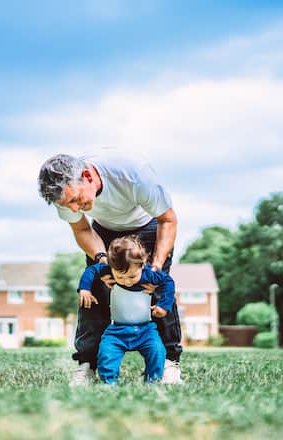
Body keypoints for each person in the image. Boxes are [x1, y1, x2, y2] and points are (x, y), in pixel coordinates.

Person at [37, 151, 183, 385]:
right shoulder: (64, 196)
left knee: (158, 288)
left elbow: (168, 219)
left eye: (76, 200)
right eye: (68, 205)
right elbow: (82, 230)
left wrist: (156, 267)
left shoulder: (134, 175)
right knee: (94, 289)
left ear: (87, 176)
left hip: (147, 225)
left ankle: (170, 363)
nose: (74, 209)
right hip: (104, 231)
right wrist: (102, 260)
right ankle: (87, 364)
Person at [78, 236, 175, 384]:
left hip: (146, 330)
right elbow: (91, 271)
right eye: (121, 277)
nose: (127, 281)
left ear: (142, 265)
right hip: (116, 330)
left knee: (157, 351)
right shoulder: (108, 269)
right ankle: (109, 382)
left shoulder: (149, 274)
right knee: (106, 354)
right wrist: (85, 289)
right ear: (111, 267)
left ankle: (153, 380)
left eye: (132, 276)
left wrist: (163, 305)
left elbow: (168, 281)